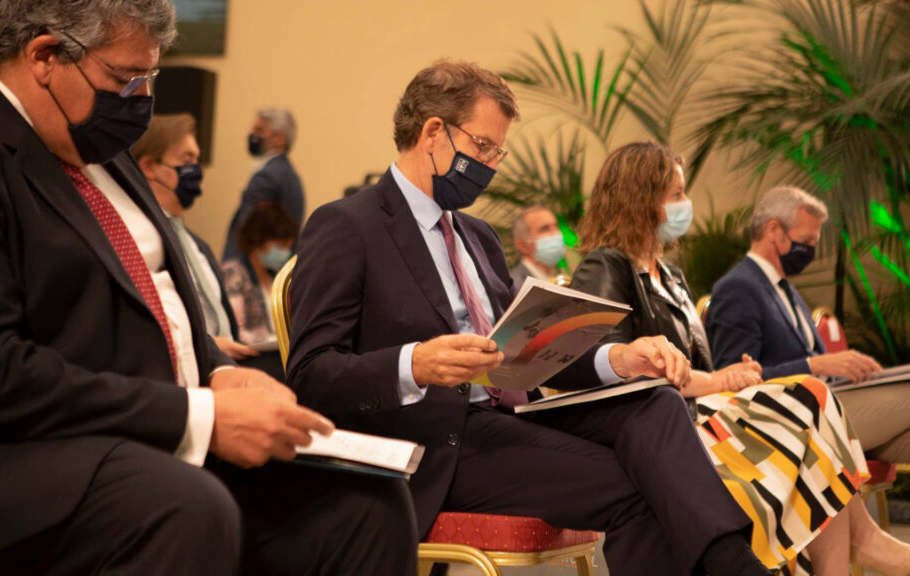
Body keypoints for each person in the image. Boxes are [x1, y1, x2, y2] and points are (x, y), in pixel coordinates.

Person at [0, 2, 417, 575]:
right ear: (44, 56)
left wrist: (220, 371)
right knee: (187, 507)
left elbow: (151, 302)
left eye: (149, 77)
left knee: (367, 503)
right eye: (124, 79)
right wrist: (197, 415)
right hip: (38, 452)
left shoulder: (97, 146)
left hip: (161, 431)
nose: (141, 99)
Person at [287, 59, 776, 576]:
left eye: (497, 152)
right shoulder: (348, 225)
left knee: (656, 403)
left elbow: (524, 352)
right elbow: (311, 373)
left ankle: (734, 565)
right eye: (482, 147)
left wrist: (619, 358)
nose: (491, 166)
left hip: (510, 417)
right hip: (435, 442)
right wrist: (416, 364)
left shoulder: (478, 238)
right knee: (640, 486)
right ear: (432, 133)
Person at [571, 142, 910, 576]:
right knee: (810, 397)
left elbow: (702, 368)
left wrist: (733, 375)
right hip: (659, 425)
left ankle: (854, 547)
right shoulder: (606, 266)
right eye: (676, 194)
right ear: (641, 198)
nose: (686, 203)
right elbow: (616, 370)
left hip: (698, 407)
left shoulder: (670, 275)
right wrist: (720, 381)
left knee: (812, 403)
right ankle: (861, 540)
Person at [707, 185, 910, 576]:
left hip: (831, 410)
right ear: (774, 230)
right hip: (793, 424)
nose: (811, 250)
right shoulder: (737, 288)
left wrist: (842, 371)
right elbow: (732, 382)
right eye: (807, 241)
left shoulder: (786, 291)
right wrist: (817, 363)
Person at [132, 113, 257, 361]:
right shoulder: (140, 241)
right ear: (150, 167)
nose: (196, 169)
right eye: (186, 159)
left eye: (197, 159)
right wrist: (208, 346)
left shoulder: (198, 246)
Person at [222, 107, 304, 261]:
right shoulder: (291, 175)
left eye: (259, 130)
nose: (252, 134)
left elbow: (249, 232)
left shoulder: (266, 177)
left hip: (250, 268)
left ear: (279, 138)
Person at [223, 201, 297, 346]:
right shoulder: (233, 273)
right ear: (257, 240)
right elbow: (236, 331)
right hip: (253, 352)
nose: (286, 253)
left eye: (288, 247)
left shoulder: (276, 277)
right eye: (280, 246)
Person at [509, 205, 567, 292]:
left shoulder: (561, 280)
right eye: (545, 229)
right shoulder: (514, 288)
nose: (556, 233)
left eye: (556, 226)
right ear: (523, 246)